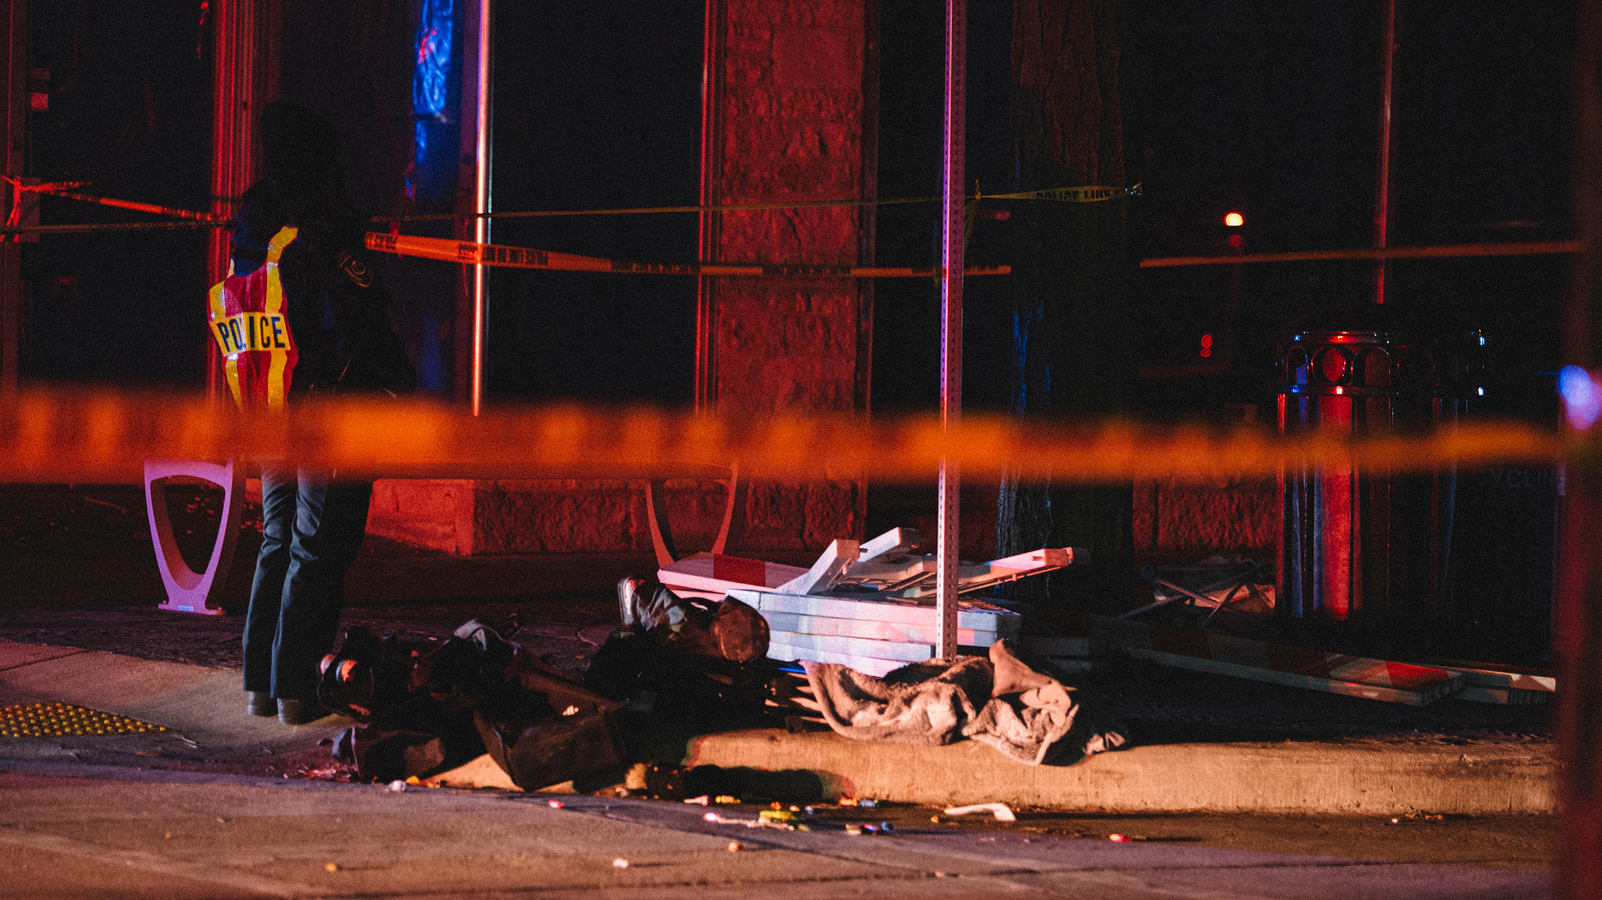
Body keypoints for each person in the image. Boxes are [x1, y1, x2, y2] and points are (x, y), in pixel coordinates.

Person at [212, 102, 416, 725]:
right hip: (326, 414)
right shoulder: (321, 235)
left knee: (279, 543)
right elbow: (362, 324)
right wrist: (396, 391)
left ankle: (261, 684)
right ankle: (297, 690)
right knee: (318, 551)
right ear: (319, 164)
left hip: (270, 409)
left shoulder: (255, 233)